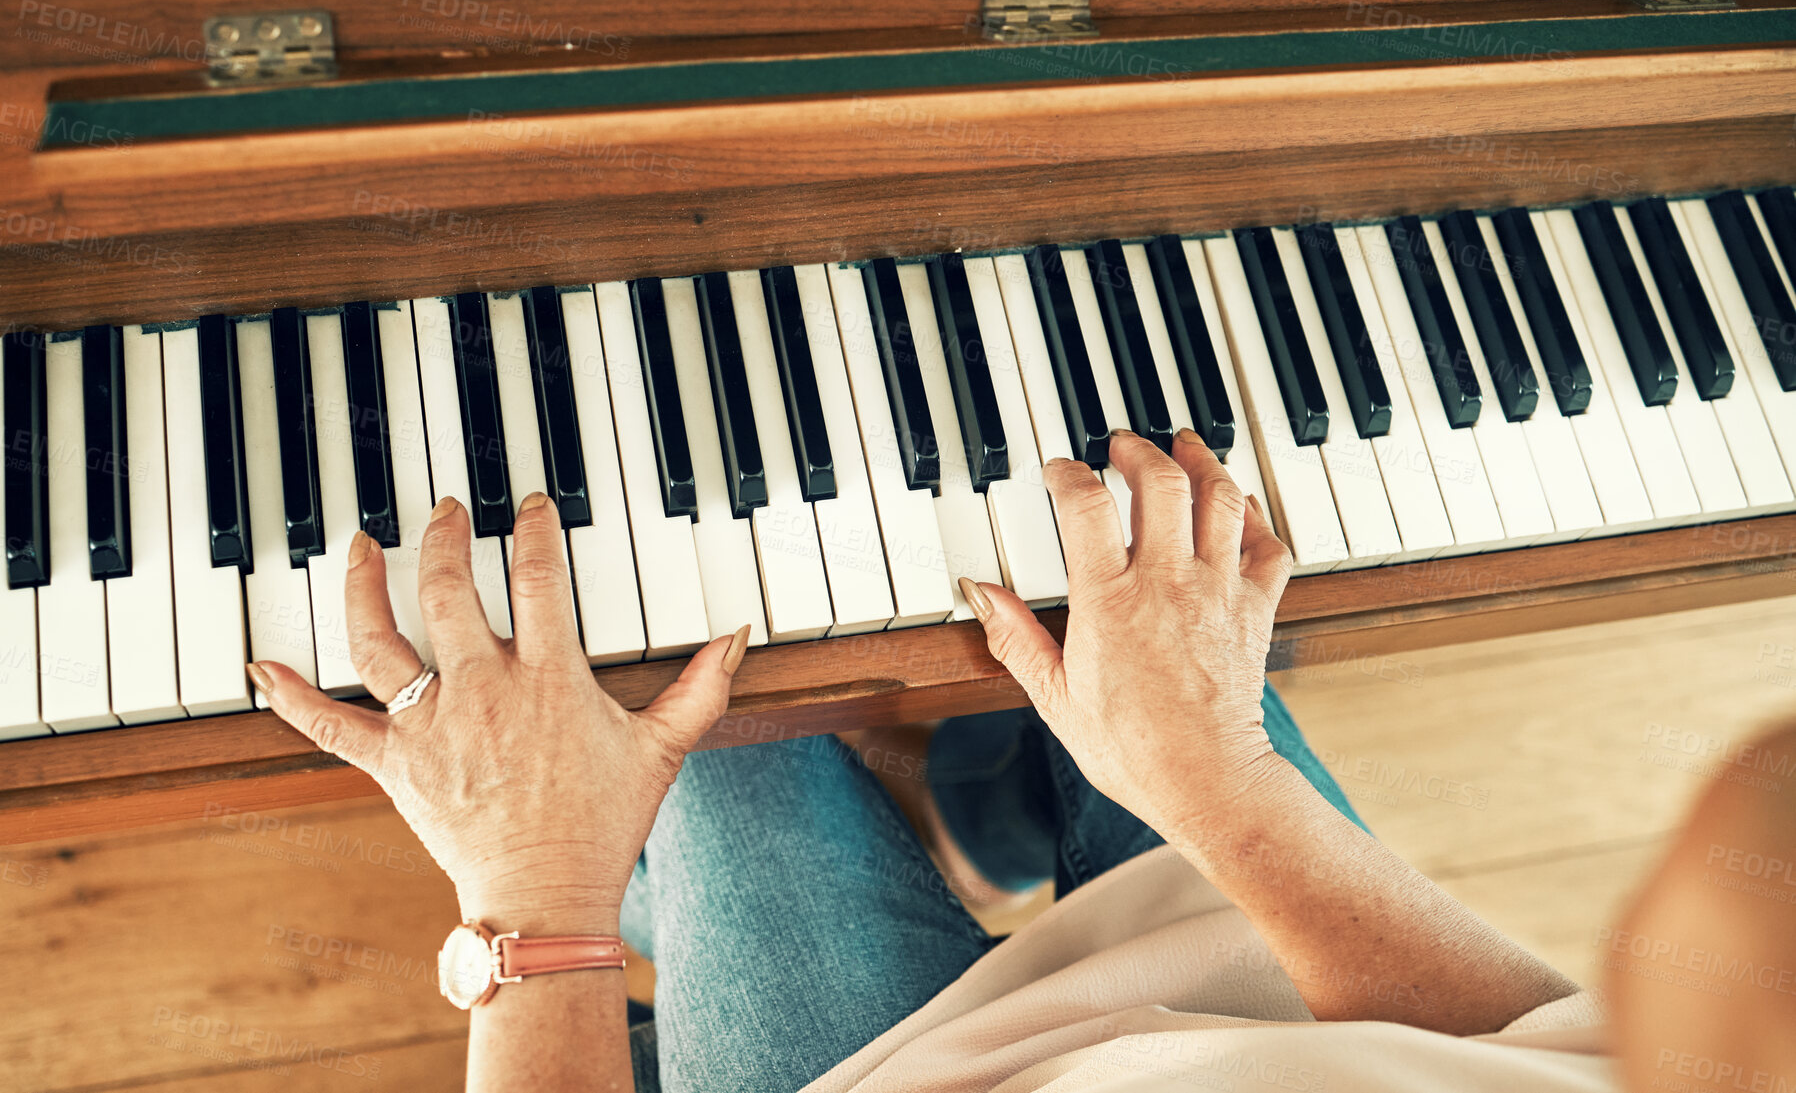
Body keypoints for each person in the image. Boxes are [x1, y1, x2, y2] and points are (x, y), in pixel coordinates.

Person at [249, 427, 1755, 1092]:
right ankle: (999, 806)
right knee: (1123, 610)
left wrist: (537, 896)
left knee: (716, 706)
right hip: (1259, 964)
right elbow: (1536, 1046)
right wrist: (1220, 775)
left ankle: (901, 826)